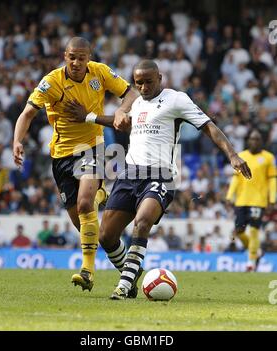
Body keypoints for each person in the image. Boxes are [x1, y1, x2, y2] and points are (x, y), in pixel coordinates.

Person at [65, 59, 251, 299]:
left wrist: (233, 155)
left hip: (161, 175)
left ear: (160, 78)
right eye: (138, 83)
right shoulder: (137, 103)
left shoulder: (177, 99)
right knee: (106, 236)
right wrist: (89, 117)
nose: (143, 87)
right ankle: (132, 273)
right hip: (130, 173)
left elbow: (208, 127)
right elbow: (120, 121)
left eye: (148, 82)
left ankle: (123, 285)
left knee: (142, 223)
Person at [13, 37, 138, 291]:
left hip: (92, 146)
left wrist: (121, 111)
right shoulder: (52, 82)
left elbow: (131, 93)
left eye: (82, 57)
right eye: (72, 57)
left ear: (88, 58)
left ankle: (87, 271)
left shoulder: (100, 73)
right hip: (60, 155)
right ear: (64, 56)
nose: (77, 62)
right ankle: (127, 271)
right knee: (85, 224)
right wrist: (16, 141)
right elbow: (27, 113)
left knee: (84, 204)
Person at [226, 129, 276, 271]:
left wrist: (272, 199)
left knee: (254, 231)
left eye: (257, 139)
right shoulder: (241, 156)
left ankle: (251, 262)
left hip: (258, 201)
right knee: (239, 231)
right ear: (248, 141)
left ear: (262, 142)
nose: (254, 142)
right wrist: (229, 196)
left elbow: (272, 180)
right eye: (252, 139)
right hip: (241, 200)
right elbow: (236, 179)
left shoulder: (268, 158)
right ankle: (257, 252)